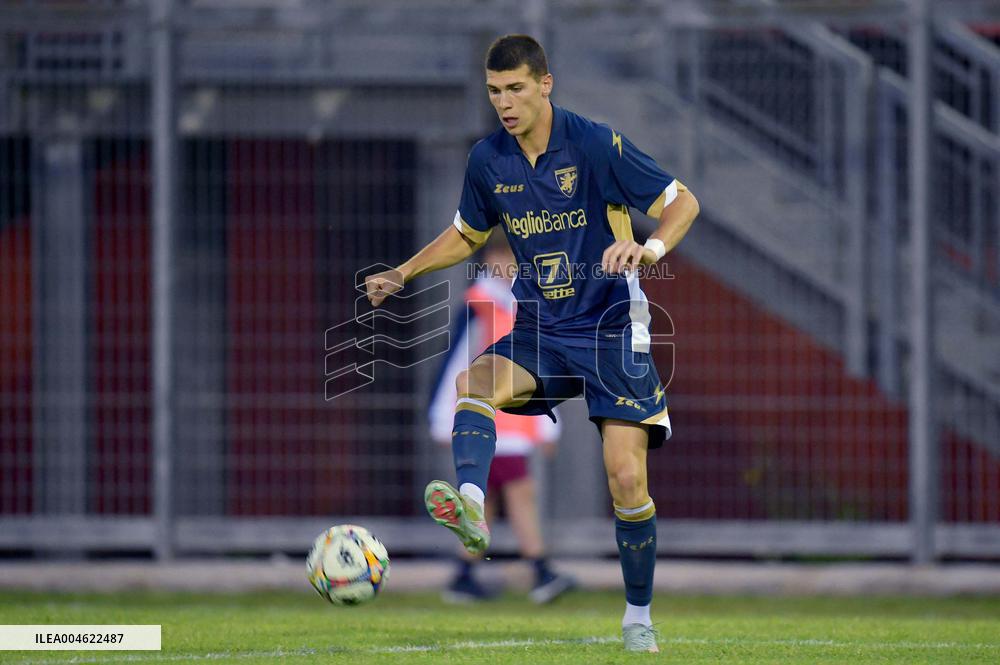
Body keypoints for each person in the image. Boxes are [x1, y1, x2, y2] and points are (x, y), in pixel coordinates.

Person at [365, 34, 699, 653]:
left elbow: (682, 202)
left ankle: (637, 617)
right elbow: (466, 236)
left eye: (516, 88)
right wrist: (402, 272)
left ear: (545, 84)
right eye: (494, 92)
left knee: (626, 479)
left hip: (609, 327)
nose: (505, 103)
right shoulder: (488, 159)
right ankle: (470, 505)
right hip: (542, 329)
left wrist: (649, 248)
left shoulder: (594, 143)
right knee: (475, 382)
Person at [428, 234, 576, 604]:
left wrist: (544, 421)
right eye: (502, 256)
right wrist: (444, 418)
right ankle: (540, 571)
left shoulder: (524, 304)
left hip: (513, 419)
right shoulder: (480, 305)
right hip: (491, 420)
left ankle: (464, 576)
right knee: (520, 493)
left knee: (487, 501)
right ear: (489, 259)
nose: (509, 265)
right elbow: (455, 366)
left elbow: (540, 367)